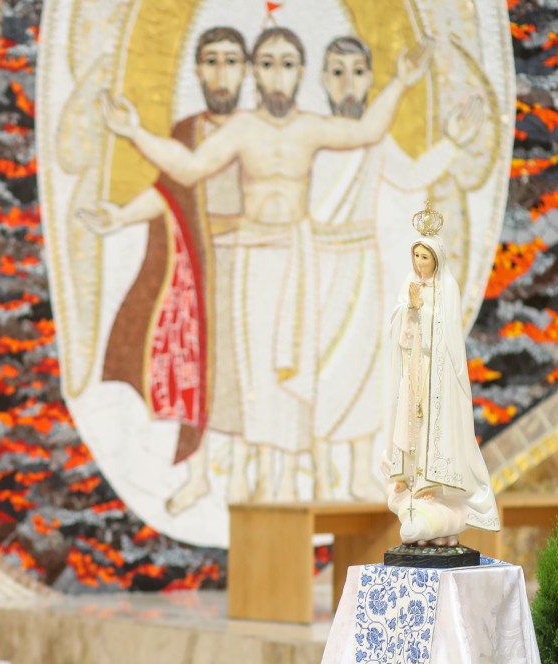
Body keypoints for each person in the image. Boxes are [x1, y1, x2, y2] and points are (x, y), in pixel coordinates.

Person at [102, 28, 430, 502]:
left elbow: (366, 132)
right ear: (256, 72)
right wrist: (135, 132)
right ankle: (259, 480)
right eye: (268, 64)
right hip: (252, 257)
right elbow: (189, 167)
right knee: (255, 368)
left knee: (298, 365)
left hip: (297, 256)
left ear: (301, 72)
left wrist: (400, 82)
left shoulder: (310, 127)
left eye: (288, 64)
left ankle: (292, 479)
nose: (278, 76)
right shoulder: (242, 129)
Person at [80, 25, 249, 514]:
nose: (221, 73)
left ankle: (243, 475)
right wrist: (120, 217)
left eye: (231, 61)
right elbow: (169, 190)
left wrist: (134, 133)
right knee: (200, 364)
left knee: (244, 368)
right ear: (197, 69)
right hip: (201, 261)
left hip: (252, 260)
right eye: (211, 61)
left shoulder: (257, 129)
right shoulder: (186, 132)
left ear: (244, 69)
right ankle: (199, 474)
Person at [309, 35, 483, 499]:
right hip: (317, 262)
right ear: (323, 78)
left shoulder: (375, 140)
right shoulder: (314, 134)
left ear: (369, 77)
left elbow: (410, 175)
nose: (348, 83)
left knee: (362, 365)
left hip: (359, 263)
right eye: (337, 72)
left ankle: (355, 471)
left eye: (357, 72)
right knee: (321, 364)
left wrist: (452, 143)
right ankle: (320, 471)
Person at [381, 231, 500, 544]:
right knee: (411, 426)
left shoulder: (447, 286)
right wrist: (409, 309)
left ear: (436, 259)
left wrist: (421, 308)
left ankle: (430, 486)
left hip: (437, 374)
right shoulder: (409, 282)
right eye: (416, 256)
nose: (420, 262)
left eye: (425, 257)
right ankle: (410, 480)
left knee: (431, 430)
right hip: (414, 369)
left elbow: (447, 330)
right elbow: (397, 324)